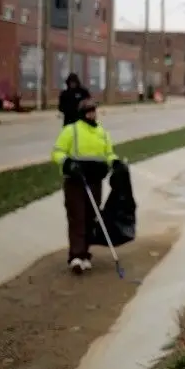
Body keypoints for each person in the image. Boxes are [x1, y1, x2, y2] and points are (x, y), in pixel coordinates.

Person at [52, 98, 126, 274]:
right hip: (76, 181)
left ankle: (85, 253)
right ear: (82, 113)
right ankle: (76, 256)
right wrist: (68, 163)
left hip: (94, 181)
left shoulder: (102, 132)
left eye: (93, 111)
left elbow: (108, 153)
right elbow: (57, 152)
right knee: (77, 216)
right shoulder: (72, 130)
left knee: (90, 217)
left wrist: (114, 162)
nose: (92, 114)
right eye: (88, 111)